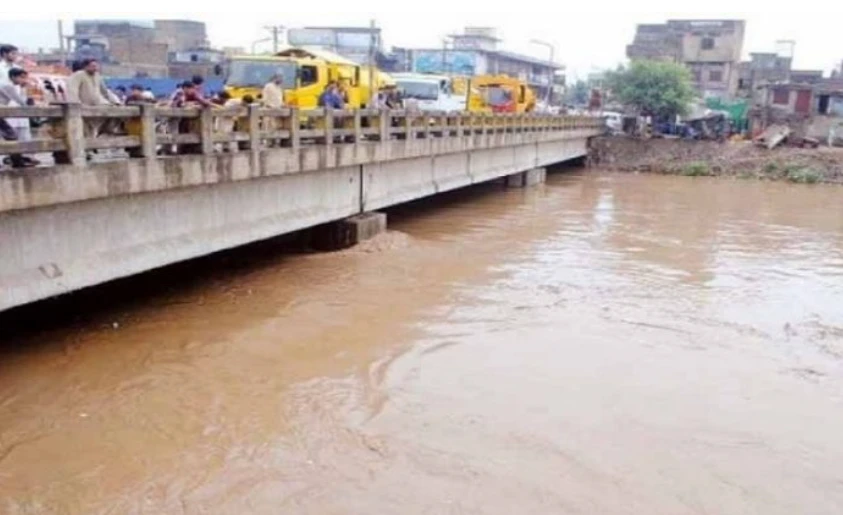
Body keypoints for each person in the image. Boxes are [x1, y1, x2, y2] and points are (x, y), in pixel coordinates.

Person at [0, 68, 35, 168]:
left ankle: (17, 161)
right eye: (21, 77)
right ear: (12, 77)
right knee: (11, 135)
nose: (24, 80)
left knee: (11, 135)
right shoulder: (8, 86)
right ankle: (17, 162)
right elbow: (20, 102)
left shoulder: (6, 85)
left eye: (25, 78)